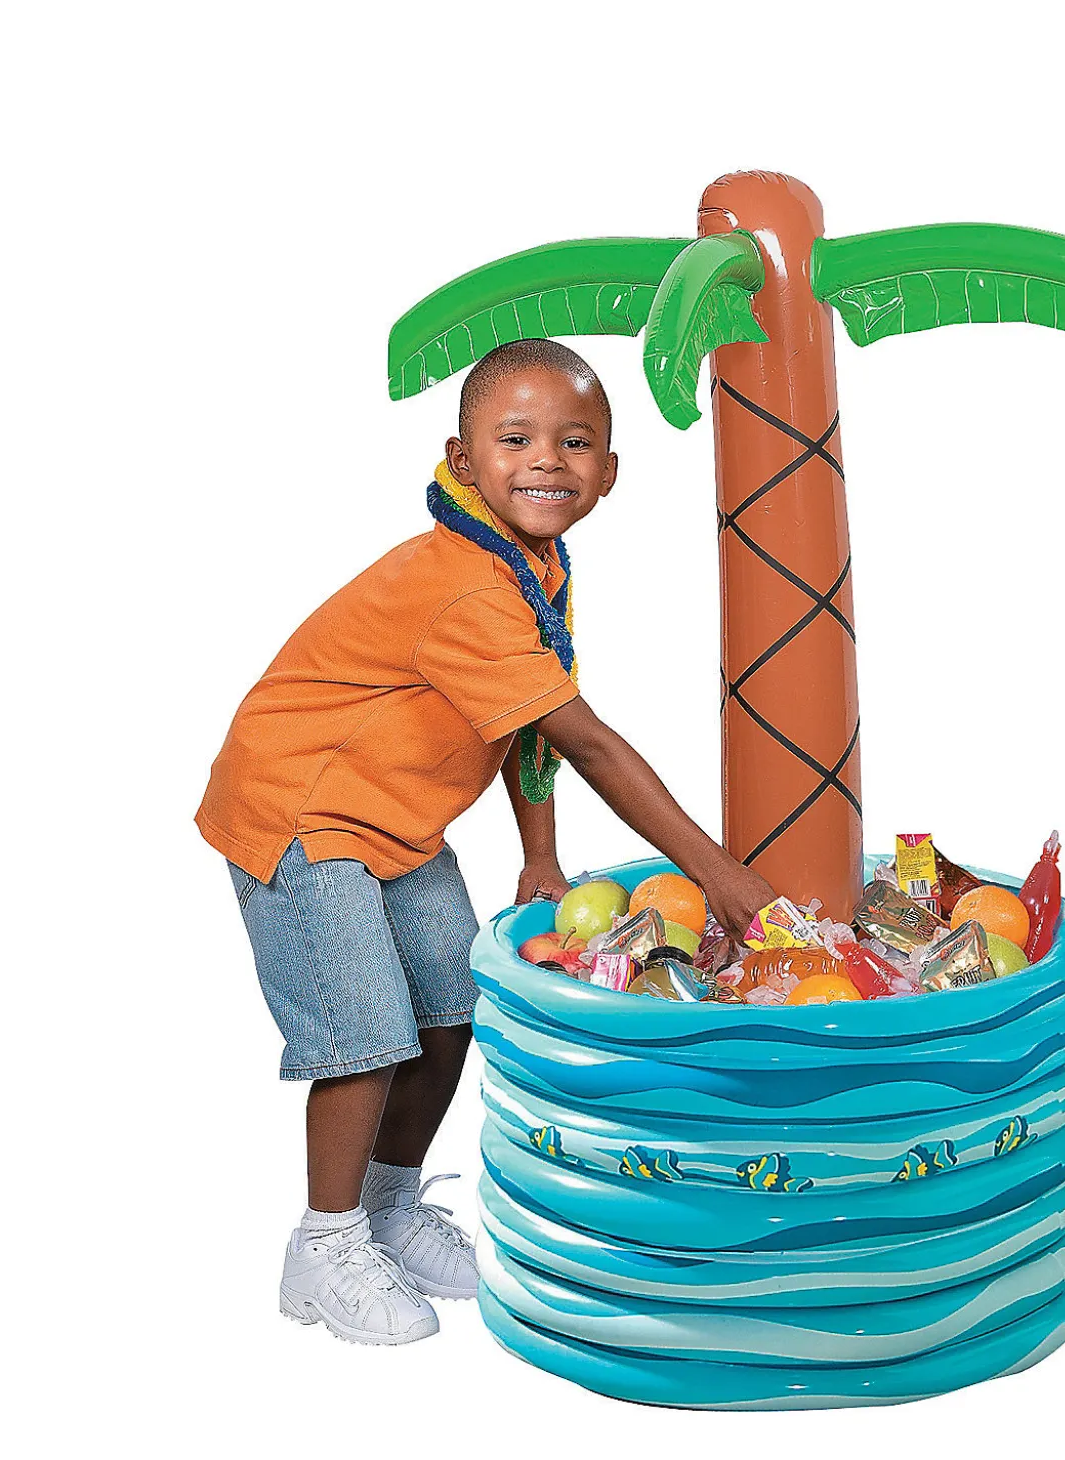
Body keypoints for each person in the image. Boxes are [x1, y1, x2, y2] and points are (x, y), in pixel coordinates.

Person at [196, 338, 776, 1345]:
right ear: (463, 461)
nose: (545, 459)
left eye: (574, 442)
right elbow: (586, 740)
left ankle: (388, 1210)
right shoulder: (465, 583)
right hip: (302, 811)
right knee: (365, 1035)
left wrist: (539, 853)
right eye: (515, 439)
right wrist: (715, 871)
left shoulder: (531, 568)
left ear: (609, 471)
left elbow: (528, 723)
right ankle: (323, 1246)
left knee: (455, 1006)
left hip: (394, 816)